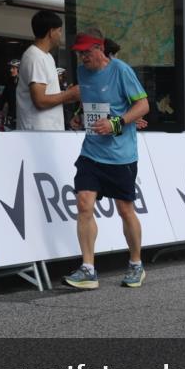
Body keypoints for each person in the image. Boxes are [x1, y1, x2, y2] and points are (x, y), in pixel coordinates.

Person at [62, 29, 150, 291]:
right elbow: (90, 101)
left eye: (86, 52)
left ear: (99, 48)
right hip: (92, 151)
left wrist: (117, 122)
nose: (82, 57)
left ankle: (136, 263)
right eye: (79, 53)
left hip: (121, 154)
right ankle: (88, 268)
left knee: (125, 209)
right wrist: (79, 115)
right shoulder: (82, 73)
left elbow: (143, 105)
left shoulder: (121, 70)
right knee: (84, 203)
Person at [16, 10, 79, 131]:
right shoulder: (35, 57)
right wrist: (68, 94)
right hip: (37, 134)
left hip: (48, 133)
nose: (61, 35)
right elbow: (40, 101)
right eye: (59, 30)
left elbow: (47, 97)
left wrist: (67, 95)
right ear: (51, 32)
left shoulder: (47, 57)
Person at [0, 59, 20, 129]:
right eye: (11, 68)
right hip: (11, 119)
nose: (11, 70)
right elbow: (1, 102)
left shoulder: (25, 85)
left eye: (14, 68)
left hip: (23, 120)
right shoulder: (9, 84)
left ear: (20, 69)